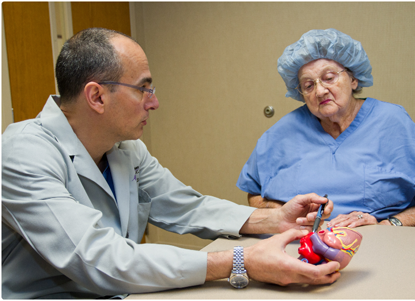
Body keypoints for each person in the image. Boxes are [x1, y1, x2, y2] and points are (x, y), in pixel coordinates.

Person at [1, 28, 341, 299]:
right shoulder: (23, 154)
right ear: (96, 97)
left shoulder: (125, 148)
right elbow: (96, 258)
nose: (155, 103)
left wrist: (273, 218)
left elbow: (186, 207)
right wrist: (240, 261)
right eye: (143, 90)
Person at [237, 28, 415, 228]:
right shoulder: (282, 132)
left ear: (353, 78)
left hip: (379, 241)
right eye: (308, 85)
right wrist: (282, 215)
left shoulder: (393, 123)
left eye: (329, 78)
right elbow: (254, 194)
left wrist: (387, 224)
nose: (320, 91)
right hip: (299, 243)